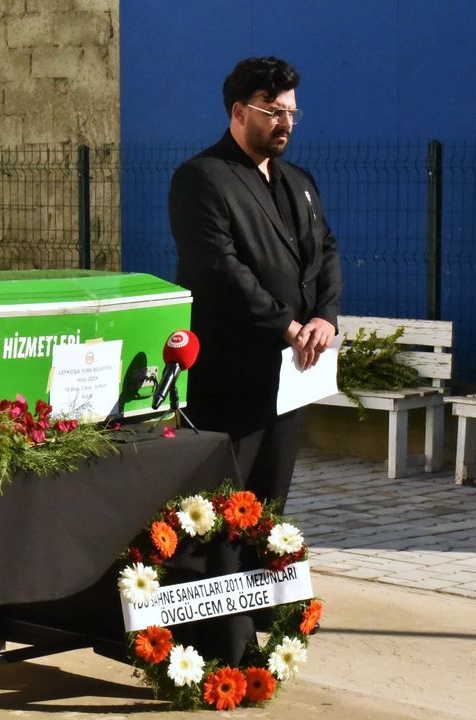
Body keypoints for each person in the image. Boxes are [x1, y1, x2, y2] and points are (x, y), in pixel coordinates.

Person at [169, 56, 342, 512]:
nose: (286, 123)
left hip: (291, 373)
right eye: (274, 111)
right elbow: (218, 269)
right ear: (239, 112)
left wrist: (324, 316)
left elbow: (325, 251)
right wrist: (287, 325)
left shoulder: (300, 182)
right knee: (219, 507)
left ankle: (265, 559)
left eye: (291, 112)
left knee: (271, 502)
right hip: (230, 378)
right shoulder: (202, 178)